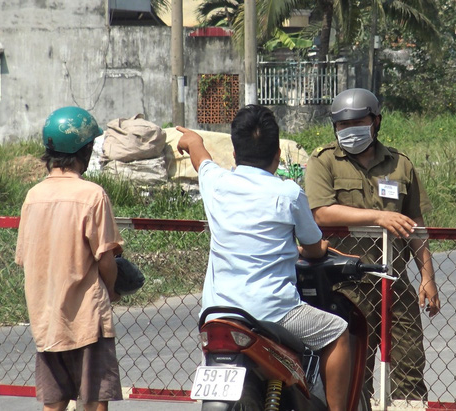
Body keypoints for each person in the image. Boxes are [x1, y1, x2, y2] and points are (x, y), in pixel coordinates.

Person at [176, 105, 350, 411]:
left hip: (218, 314)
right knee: (337, 331)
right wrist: (318, 250)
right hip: (275, 312)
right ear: (277, 155)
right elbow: (311, 247)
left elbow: (200, 157)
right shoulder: (288, 193)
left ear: (234, 152)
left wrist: (192, 140)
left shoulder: (216, 183)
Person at [305, 88, 440, 401]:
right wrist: (378, 217)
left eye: (358, 121)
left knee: (410, 370)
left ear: (376, 121)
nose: (349, 130)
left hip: (394, 282)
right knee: (353, 377)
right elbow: (322, 212)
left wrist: (428, 277)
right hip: (345, 288)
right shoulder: (324, 162)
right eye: (342, 125)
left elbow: (416, 225)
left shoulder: (400, 165)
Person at [15, 106, 124, 411]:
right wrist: (112, 288)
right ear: (85, 150)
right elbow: (105, 259)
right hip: (85, 319)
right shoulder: (92, 195)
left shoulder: (32, 197)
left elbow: (25, 258)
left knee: (54, 403)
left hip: (46, 321)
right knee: (93, 401)